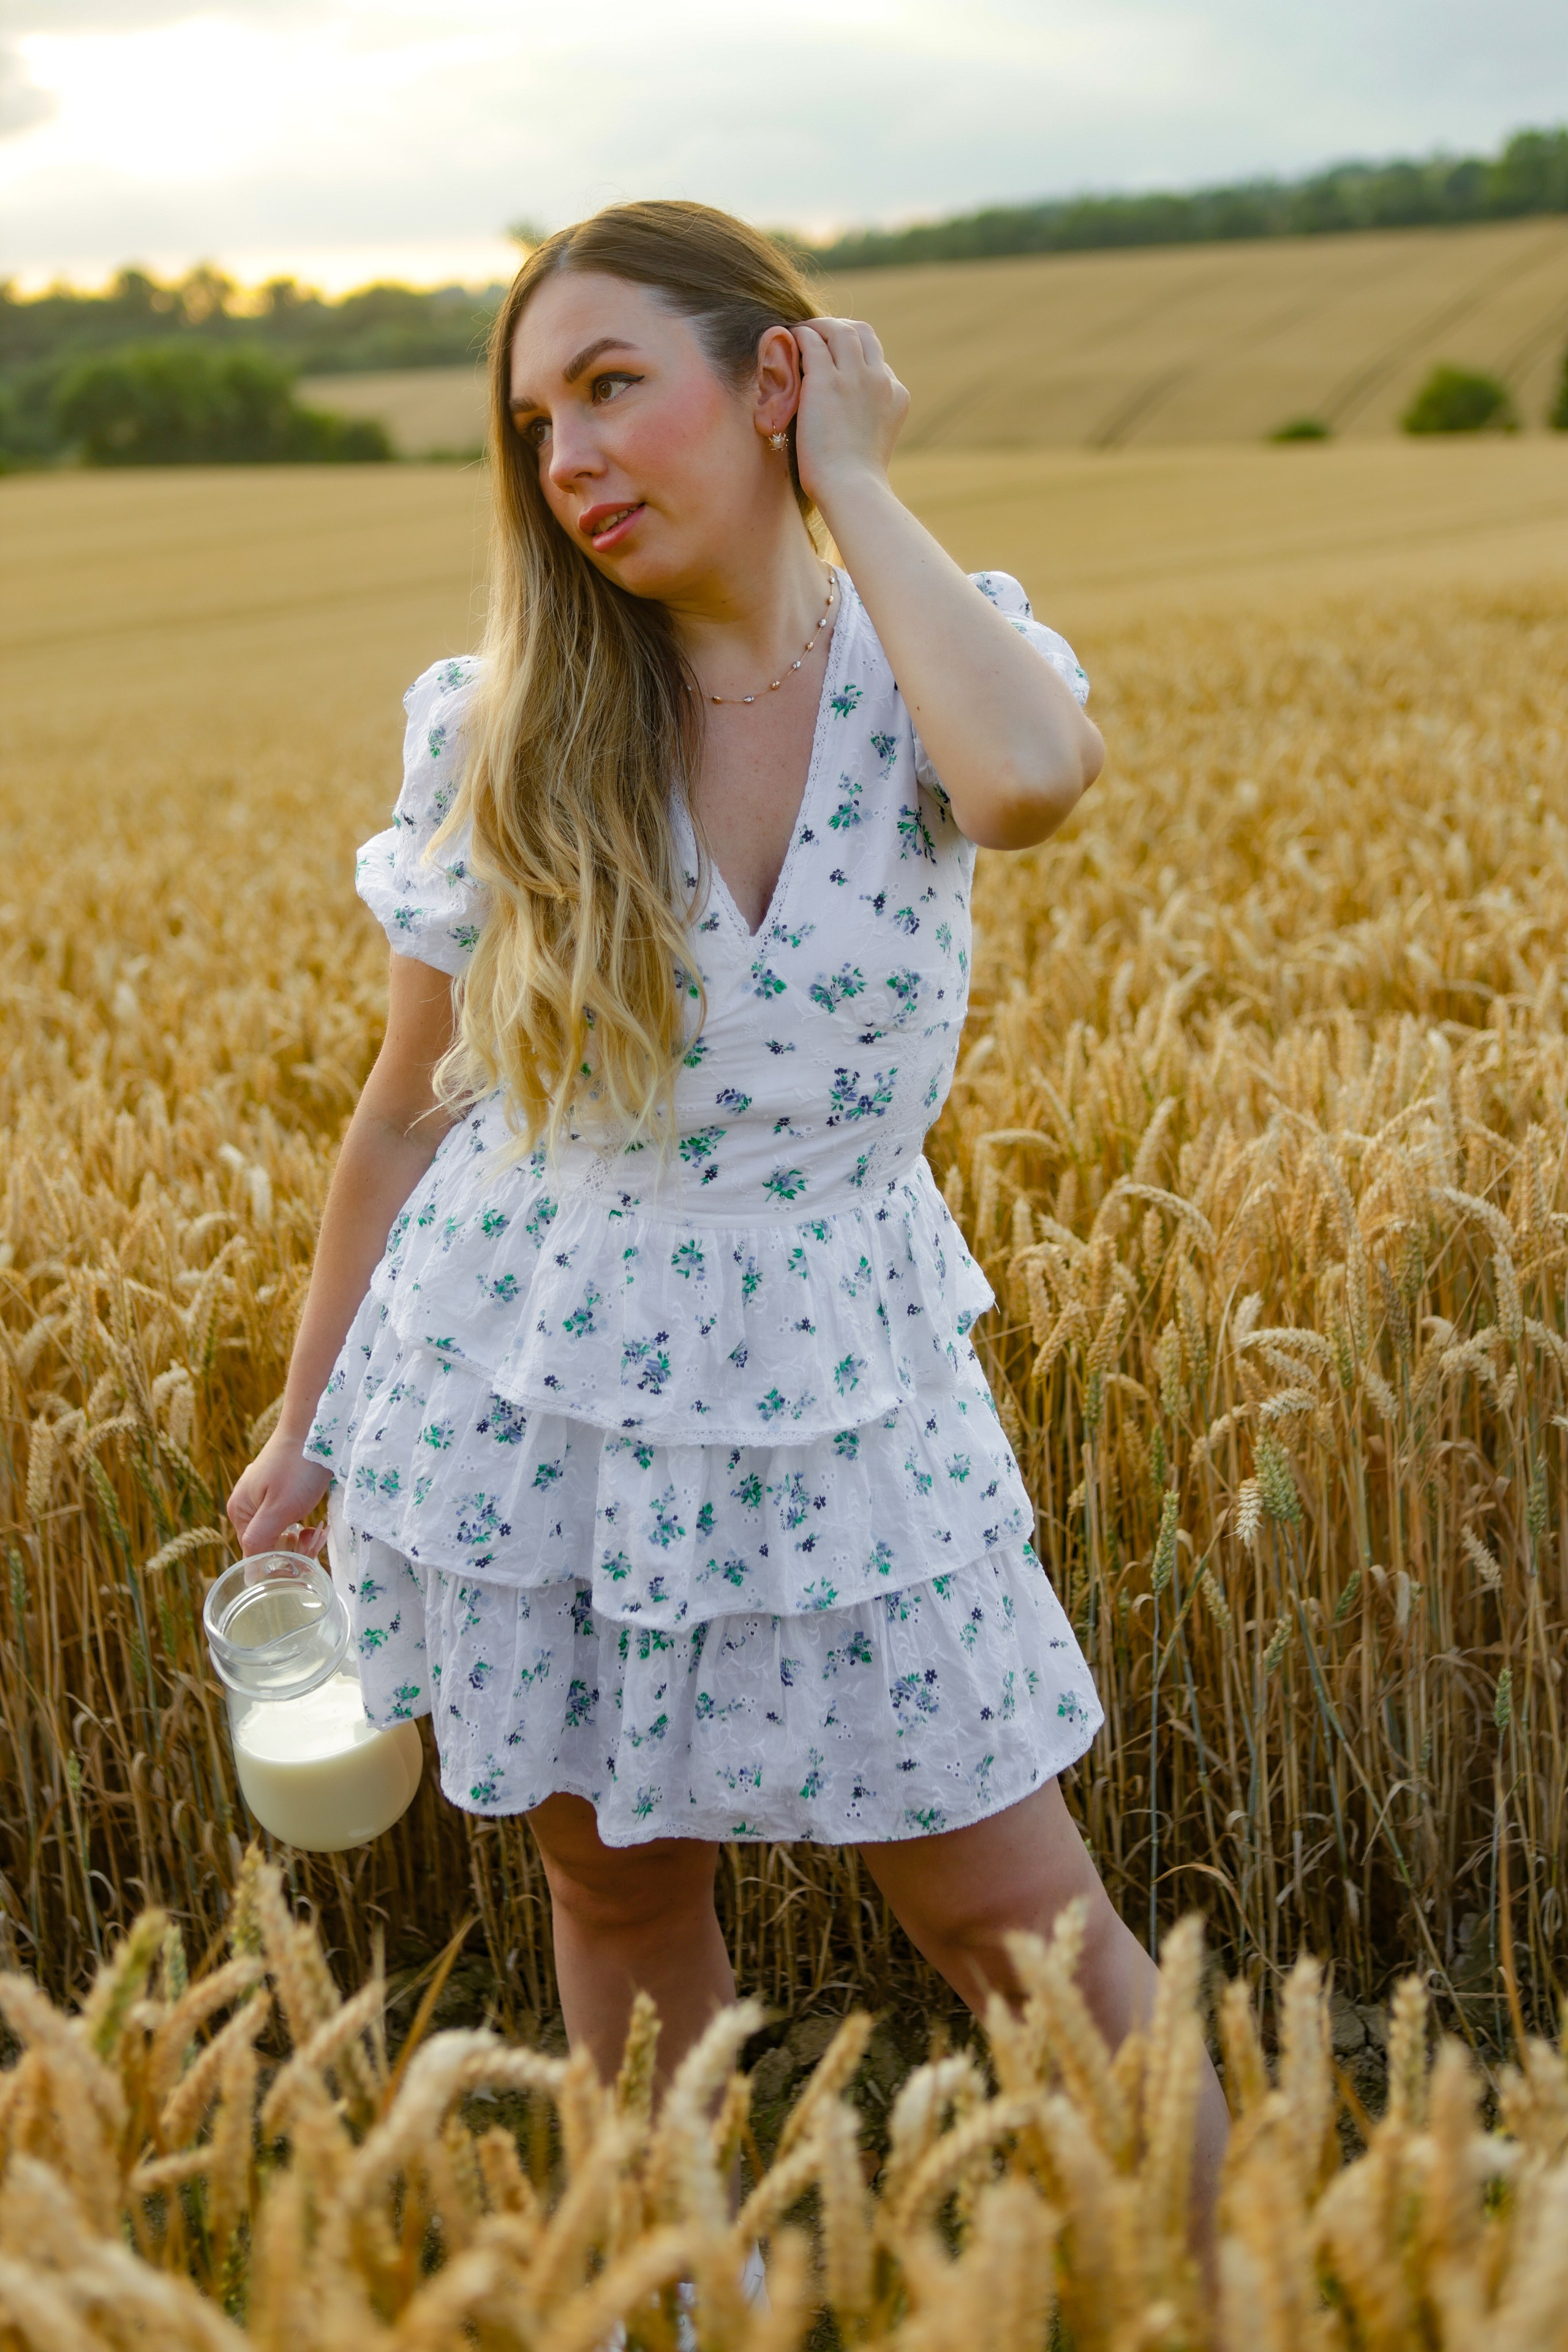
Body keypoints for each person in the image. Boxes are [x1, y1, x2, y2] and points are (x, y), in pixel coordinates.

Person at [227, 198, 1227, 2206]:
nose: (569, 456)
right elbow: (411, 1112)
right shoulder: (498, 721)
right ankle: (682, 2302)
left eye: (613, 386)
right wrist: (305, 1422)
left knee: (1018, 1922)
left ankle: (1263, 2300)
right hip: (538, 1382)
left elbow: (1032, 784)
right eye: (536, 423)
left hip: (849, 1386)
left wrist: (853, 479)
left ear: (774, 377)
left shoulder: (931, 666)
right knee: (616, 1895)